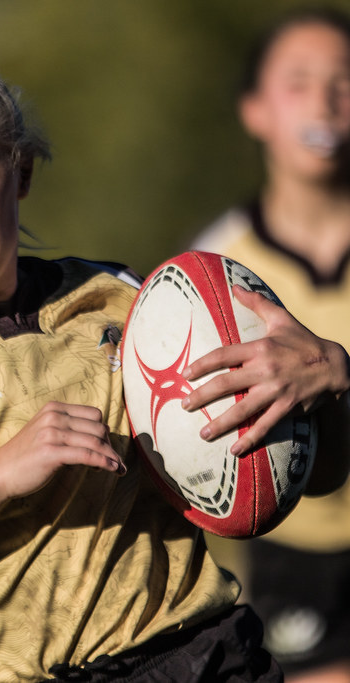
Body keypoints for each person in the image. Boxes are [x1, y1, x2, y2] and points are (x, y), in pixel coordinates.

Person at [0, 5, 350, 681]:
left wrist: (327, 385)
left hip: (204, 656)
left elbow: (305, 478)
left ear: (18, 172)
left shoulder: (129, 298)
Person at [192, 7, 350, 682]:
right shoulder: (211, 272)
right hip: (292, 556)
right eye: (299, 81)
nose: (325, 100)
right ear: (254, 110)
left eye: (345, 80)